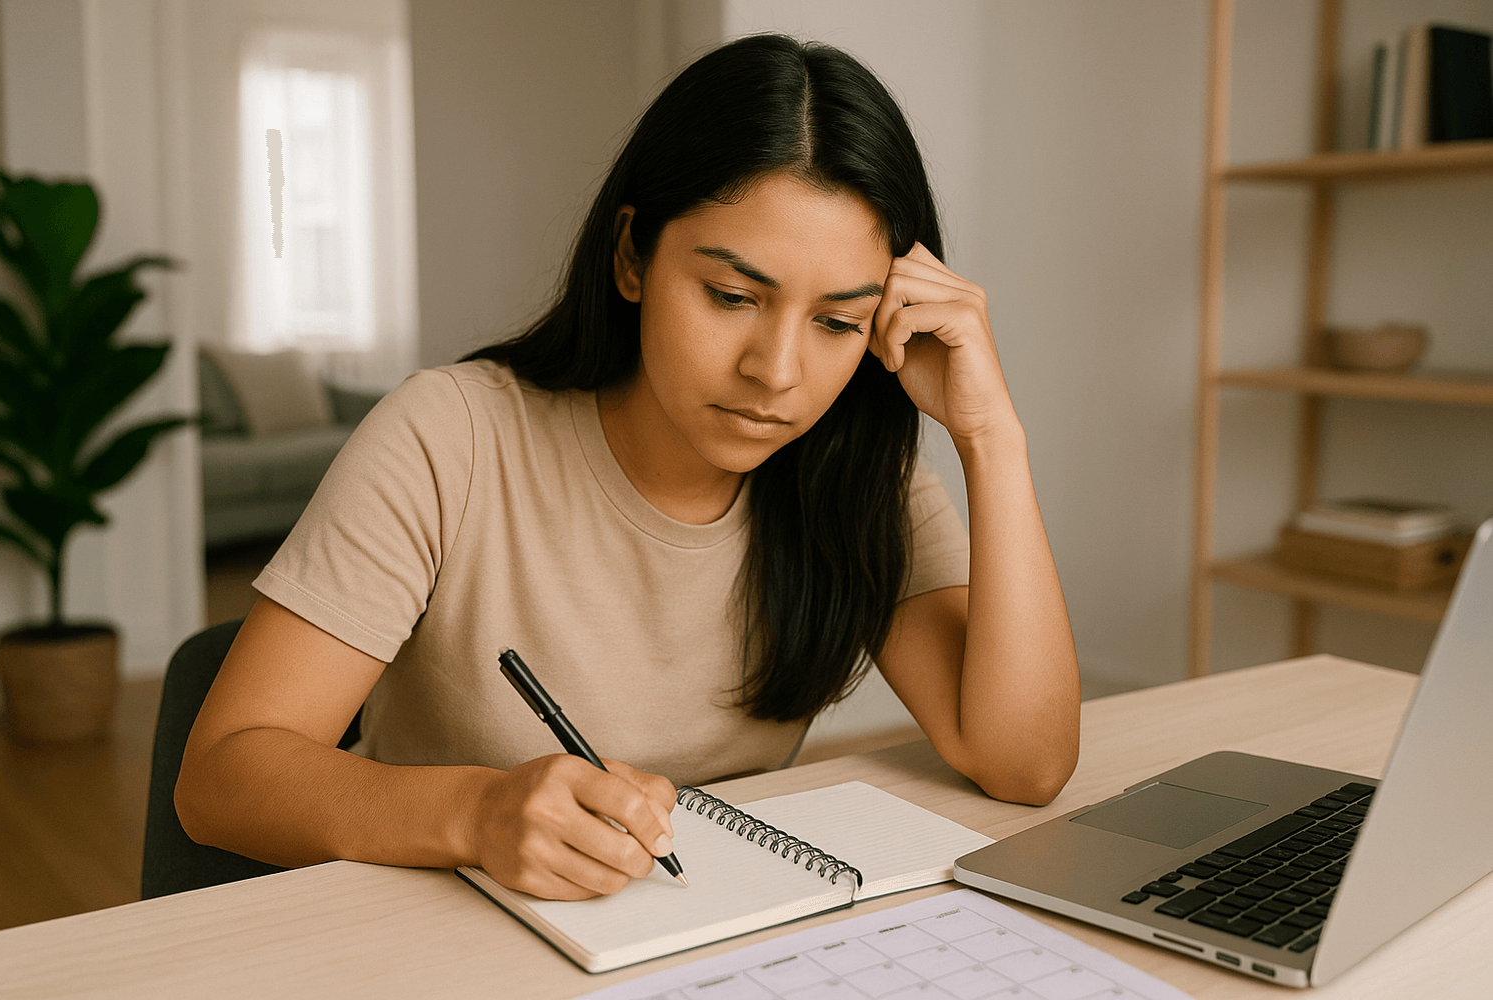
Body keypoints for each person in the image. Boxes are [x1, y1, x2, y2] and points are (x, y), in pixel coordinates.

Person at [175, 33, 1079, 903]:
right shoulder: (448, 437)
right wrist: (477, 811)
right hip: (439, 934)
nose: (777, 371)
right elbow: (222, 776)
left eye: (838, 323)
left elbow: (1024, 764)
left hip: (701, 941)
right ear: (631, 257)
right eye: (732, 296)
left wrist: (989, 436)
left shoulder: (853, 479)